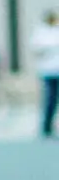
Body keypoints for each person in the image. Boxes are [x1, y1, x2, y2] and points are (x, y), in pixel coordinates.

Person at [32, 10, 59, 138]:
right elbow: (36, 49)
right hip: (48, 71)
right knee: (50, 100)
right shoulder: (40, 32)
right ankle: (46, 126)